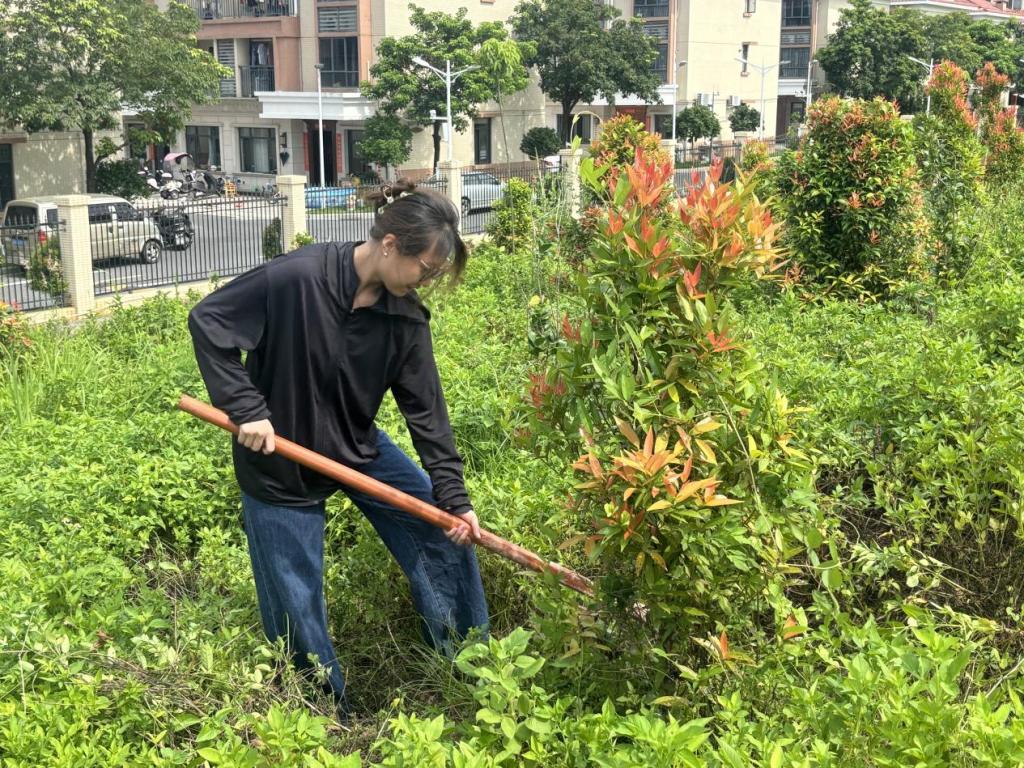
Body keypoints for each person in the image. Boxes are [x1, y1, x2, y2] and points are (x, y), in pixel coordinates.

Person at [187, 180, 489, 716]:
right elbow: (208, 320)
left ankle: (470, 669)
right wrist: (246, 407)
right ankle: (324, 712)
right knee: (295, 600)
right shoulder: (296, 279)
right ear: (390, 244)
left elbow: (428, 415)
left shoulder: (404, 319)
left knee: (443, 534)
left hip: (356, 445)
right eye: (426, 268)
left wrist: (454, 497)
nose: (427, 281)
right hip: (280, 458)